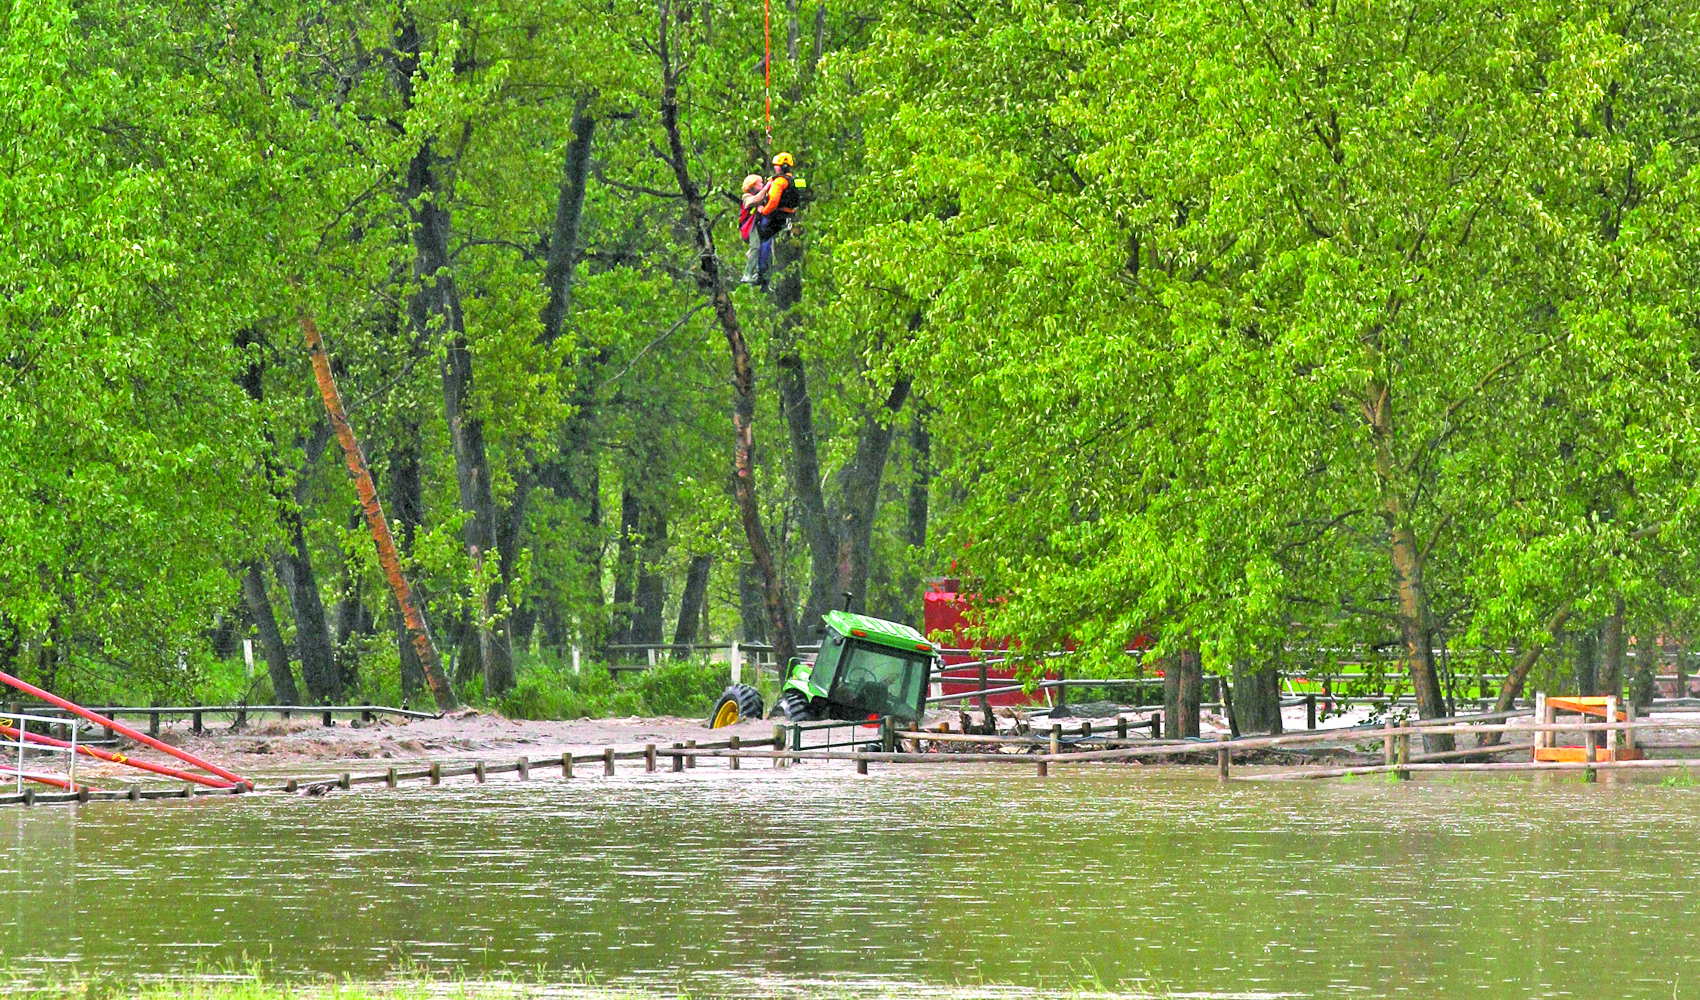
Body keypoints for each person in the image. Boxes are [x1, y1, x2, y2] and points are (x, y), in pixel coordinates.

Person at [741, 152, 800, 287]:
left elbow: (773, 201)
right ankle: (761, 274)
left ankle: (761, 273)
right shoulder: (794, 180)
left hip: (774, 216)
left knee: (763, 242)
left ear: (784, 166)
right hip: (784, 217)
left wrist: (765, 211)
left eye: (777, 166)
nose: (775, 168)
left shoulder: (779, 181)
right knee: (763, 244)